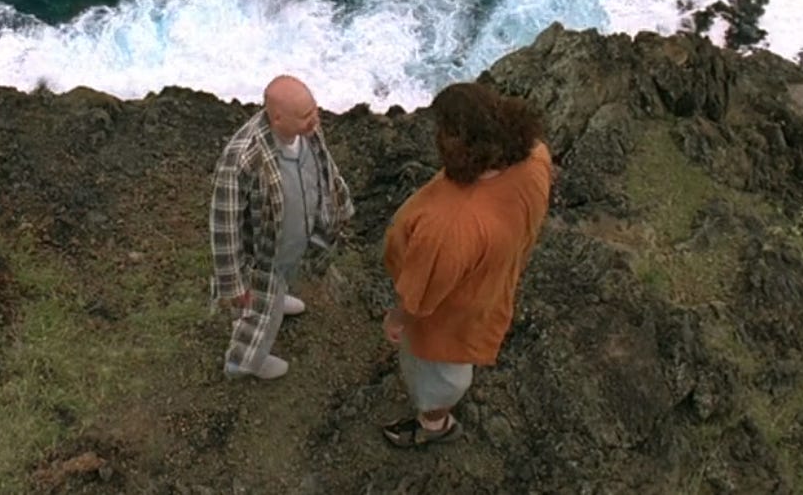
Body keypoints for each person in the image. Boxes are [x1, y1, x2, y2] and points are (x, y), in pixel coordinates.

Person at [379, 81, 552, 447]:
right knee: (452, 365)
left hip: (447, 319)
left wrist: (399, 317)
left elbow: (421, 297)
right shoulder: (535, 158)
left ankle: (434, 424)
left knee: (440, 376)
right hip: (490, 287)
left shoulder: (451, 224)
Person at [210, 75, 355, 380]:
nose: (314, 119)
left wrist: (341, 203)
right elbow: (224, 225)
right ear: (277, 118)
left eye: (314, 110)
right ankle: (244, 362)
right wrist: (234, 284)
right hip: (263, 256)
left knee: (283, 278)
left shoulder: (308, 130)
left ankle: (277, 295)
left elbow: (327, 166)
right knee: (256, 313)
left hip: (293, 240)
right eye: (305, 115)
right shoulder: (241, 157)